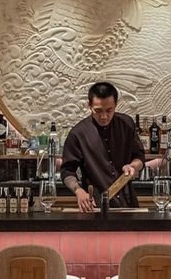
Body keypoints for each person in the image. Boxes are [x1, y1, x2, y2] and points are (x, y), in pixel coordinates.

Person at [61, 81, 145, 211]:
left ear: (116, 105)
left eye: (109, 110)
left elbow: (139, 157)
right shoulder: (78, 134)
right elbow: (67, 171)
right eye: (98, 111)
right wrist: (78, 191)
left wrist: (133, 166)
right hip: (96, 206)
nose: (104, 116)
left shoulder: (127, 124)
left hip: (128, 205)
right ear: (89, 106)